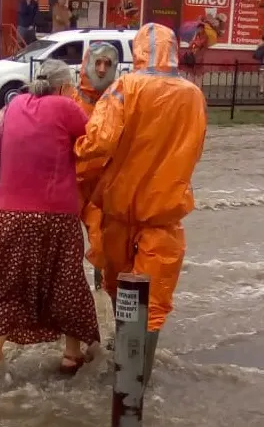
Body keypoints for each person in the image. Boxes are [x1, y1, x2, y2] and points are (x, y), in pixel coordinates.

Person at [0, 59, 100, 378]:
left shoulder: (13, 107)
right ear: (62, 86)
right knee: (66, 280)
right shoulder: (66, 108)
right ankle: (71, 355)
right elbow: (96, 142)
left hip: (7, 213)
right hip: (55, 213)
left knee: (9, 284)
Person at [75, 23, 207, 386]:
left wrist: (71, 162)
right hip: (165, 219)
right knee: (153, 305)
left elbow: (99, 143)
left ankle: (123, 375)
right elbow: (195, 149)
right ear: (174, 51)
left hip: (119, 216)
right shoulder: (193, 95)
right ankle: (138, 386)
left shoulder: (124, 88)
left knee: (123, 296)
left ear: (138, 51)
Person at [70, 42, 119, 290]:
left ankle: (101, 296)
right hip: (69, 185)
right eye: (97, 62)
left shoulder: (116, 102)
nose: (101, 69)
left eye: (107, 64)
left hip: (99, 187)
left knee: (102, 245)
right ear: (87, 64)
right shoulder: (69, 98)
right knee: (62, 247)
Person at [185, 22, 209, 87]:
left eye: (200, 28)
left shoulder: (205, 36)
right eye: (198, 28)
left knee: (198, 76)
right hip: (193, 58)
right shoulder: (196, 36)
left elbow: (200, 44)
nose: (199, 30)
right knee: (191, 75)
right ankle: (191, 89)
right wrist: (193, 42)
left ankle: (198, 90)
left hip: (199, 58)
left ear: (203, 29)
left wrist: (194, 41)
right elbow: (190, 46)